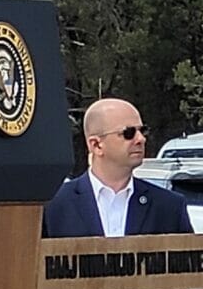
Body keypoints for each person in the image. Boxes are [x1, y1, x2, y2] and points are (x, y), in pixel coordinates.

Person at [42, 97, 193, 237]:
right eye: (129, 133)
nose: (141, 139)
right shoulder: (53, 206)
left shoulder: (169, 207)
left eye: (143, 130)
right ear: (96, 145)